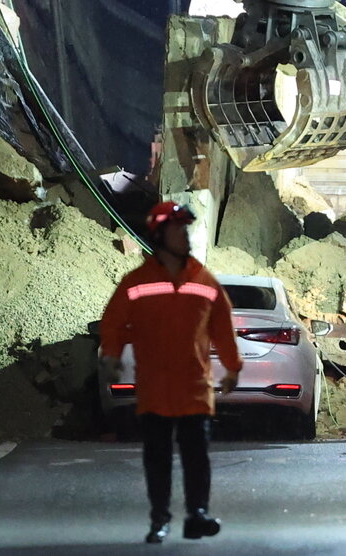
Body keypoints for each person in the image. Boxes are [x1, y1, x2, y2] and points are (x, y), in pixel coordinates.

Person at [100, 202, 243, 544]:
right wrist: (111, 356)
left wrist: (232, 368)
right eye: (179, 230)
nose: (186, 237)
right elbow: (114, 324)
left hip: (194, 387)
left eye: (186, 230)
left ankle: (197, 515)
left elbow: (223, 327)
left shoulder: (204, 281)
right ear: (160, 235)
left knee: (197, 458)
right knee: (158, 459)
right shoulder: (135, 283)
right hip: (155, 389)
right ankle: (159, 520)